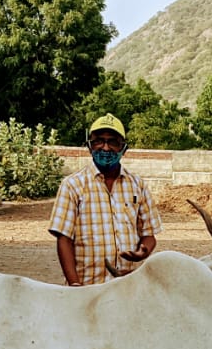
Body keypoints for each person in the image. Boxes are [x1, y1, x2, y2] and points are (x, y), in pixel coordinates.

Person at [48, 114, 161, 286]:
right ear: (89, 146)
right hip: (87, 286)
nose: (105, 148)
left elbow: (148, 235)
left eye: (113, 142)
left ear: (124, 148)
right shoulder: (72, 185)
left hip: (127, 284)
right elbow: (64, 239)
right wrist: (74, 284)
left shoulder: (138, 185)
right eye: (98, 141)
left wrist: (143, 252)